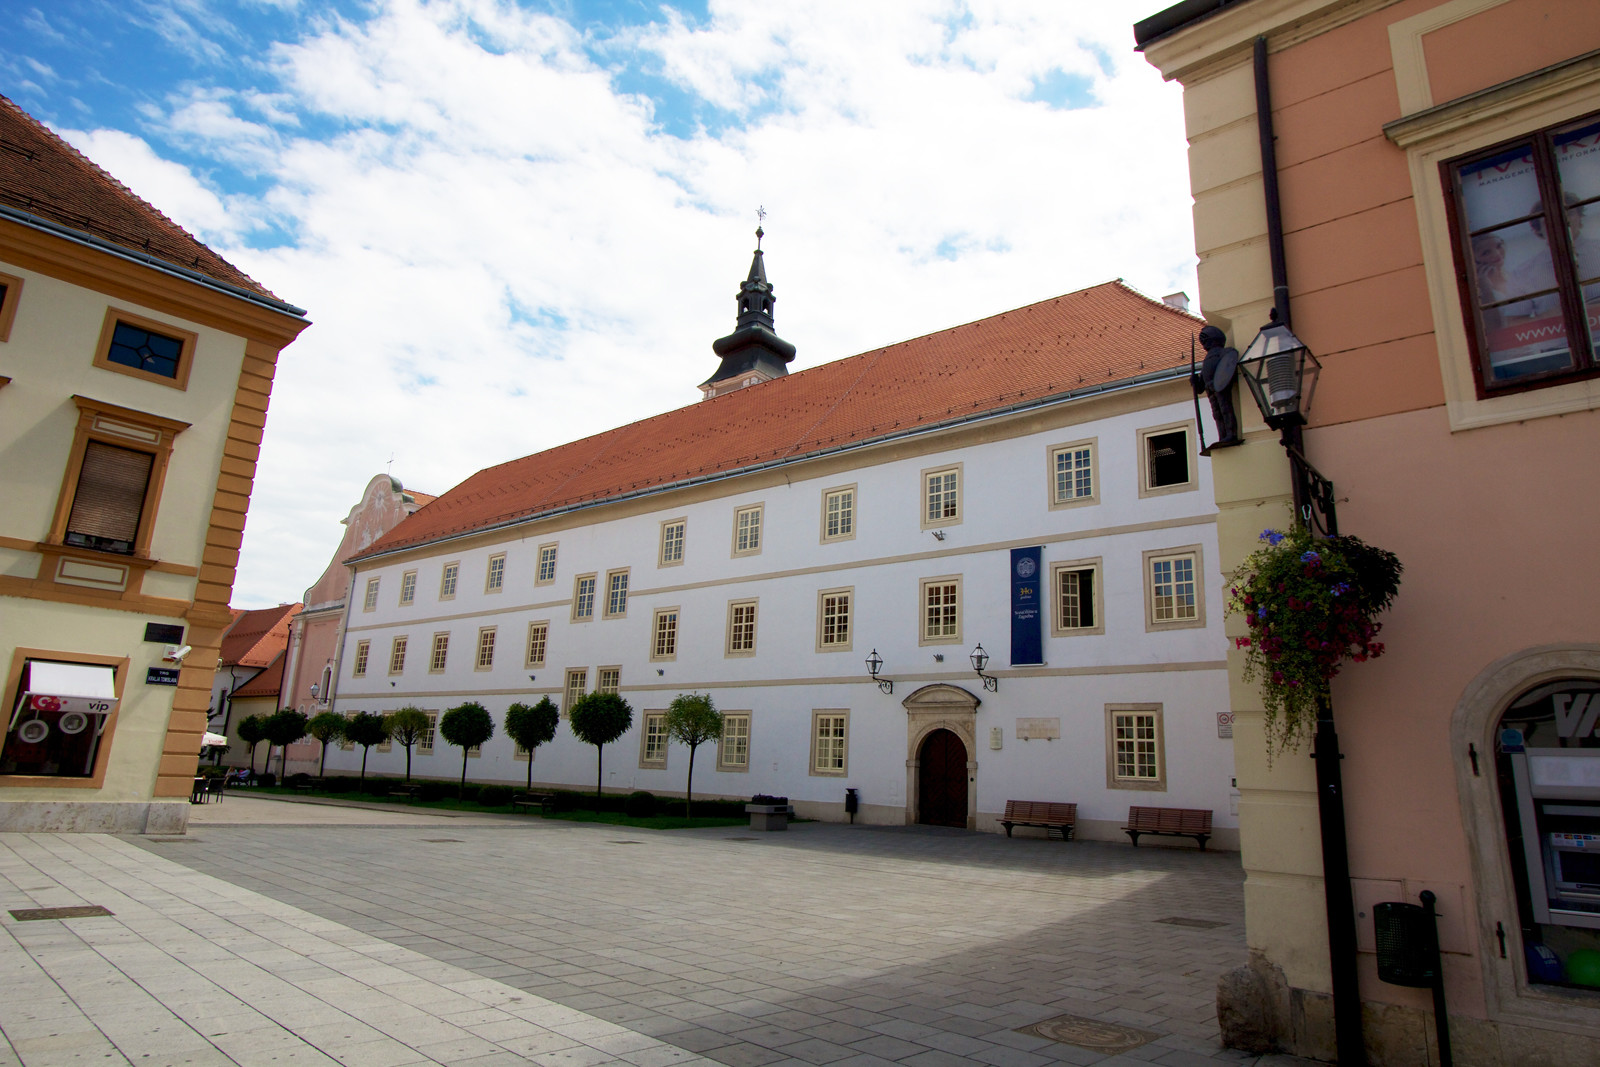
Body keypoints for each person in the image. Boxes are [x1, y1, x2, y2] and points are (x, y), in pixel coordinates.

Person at [1193, 325, 1241, 449]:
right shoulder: (1207, 360)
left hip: (1220, 385)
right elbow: (1200, 387)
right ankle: (1222, 435)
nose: (1204, 344)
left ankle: (1231, 433)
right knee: (1217, 414)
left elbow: (1228, 367)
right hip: (1210, 388)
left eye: (1205, 340)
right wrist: (1195, 381)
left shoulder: (1225, 352)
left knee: (1225, 409)